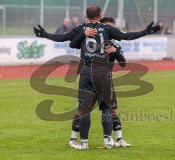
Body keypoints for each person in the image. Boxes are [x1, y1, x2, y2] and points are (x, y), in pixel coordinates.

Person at [33, 5, 160, 150]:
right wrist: (146, 31)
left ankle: (84, 143)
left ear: (86, 15)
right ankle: (107, 141)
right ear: (100, 15)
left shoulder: (82, 28)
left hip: (87, 71)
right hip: (104, 72)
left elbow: (63, 38)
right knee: (106, 108)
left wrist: (45, 35)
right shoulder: (107, 28)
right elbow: (126, 36)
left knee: (84, 109)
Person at [68, 17, 131, 149]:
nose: (110, 31)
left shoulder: (115, 46)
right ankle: (73, 139)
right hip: (89, 79)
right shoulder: (91, 43)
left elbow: (123, 63)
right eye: (107, 27)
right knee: (82, 110)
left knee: (112, 110)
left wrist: (116, 52)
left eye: (112, 28)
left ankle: (119, 139)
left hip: (106, 81)